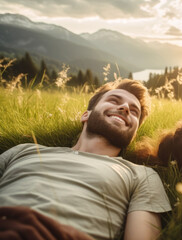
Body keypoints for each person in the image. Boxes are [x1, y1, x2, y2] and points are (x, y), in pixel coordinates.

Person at [0, 79, 171, 240]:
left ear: (133, 135)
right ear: (85, 115)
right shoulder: (23, 151)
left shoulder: (142, 175)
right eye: (114, 100)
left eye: (134, 111)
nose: (125, 107)